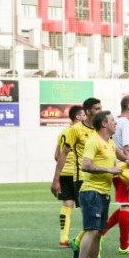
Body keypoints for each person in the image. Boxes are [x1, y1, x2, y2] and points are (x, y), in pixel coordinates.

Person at [71, 111, 129, 258]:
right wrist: (108, 170)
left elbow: (123, 156)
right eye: (113, 121)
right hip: (91, 192)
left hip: (103, 193)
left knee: (98, 233)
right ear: (104, 124)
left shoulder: (110, 143)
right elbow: (85, 165)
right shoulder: (94, 141)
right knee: (91, 230)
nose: (116, 123)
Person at [51, 98, 109, 258]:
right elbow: (60, 154)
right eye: (96, 108)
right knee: (94, 219)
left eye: (101, 107)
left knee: (90, 217)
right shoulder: (73, 131)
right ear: (84, 112)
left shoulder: (100, 130)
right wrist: (56, 178)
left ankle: (73, 241)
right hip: (80, 177)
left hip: (96, 177)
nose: (100, 110)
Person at [101, 95, 129, 255]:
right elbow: (126, 148)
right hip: (123, 169)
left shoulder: (116, 122)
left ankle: (102, 232)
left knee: (128, 205)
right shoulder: (125, 124)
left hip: (116, 168)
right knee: (127, 205)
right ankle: (124, 245)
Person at [54, 105, 86, 247]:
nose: (86, 117)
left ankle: (63, 239)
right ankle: (82, 239)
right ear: (78, 117)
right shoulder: (80, 131)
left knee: (67, 204)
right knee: (87, 206)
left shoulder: (62, 133)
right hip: (77, 174)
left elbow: (56, 155)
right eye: (84, 115)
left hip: (64, 173)